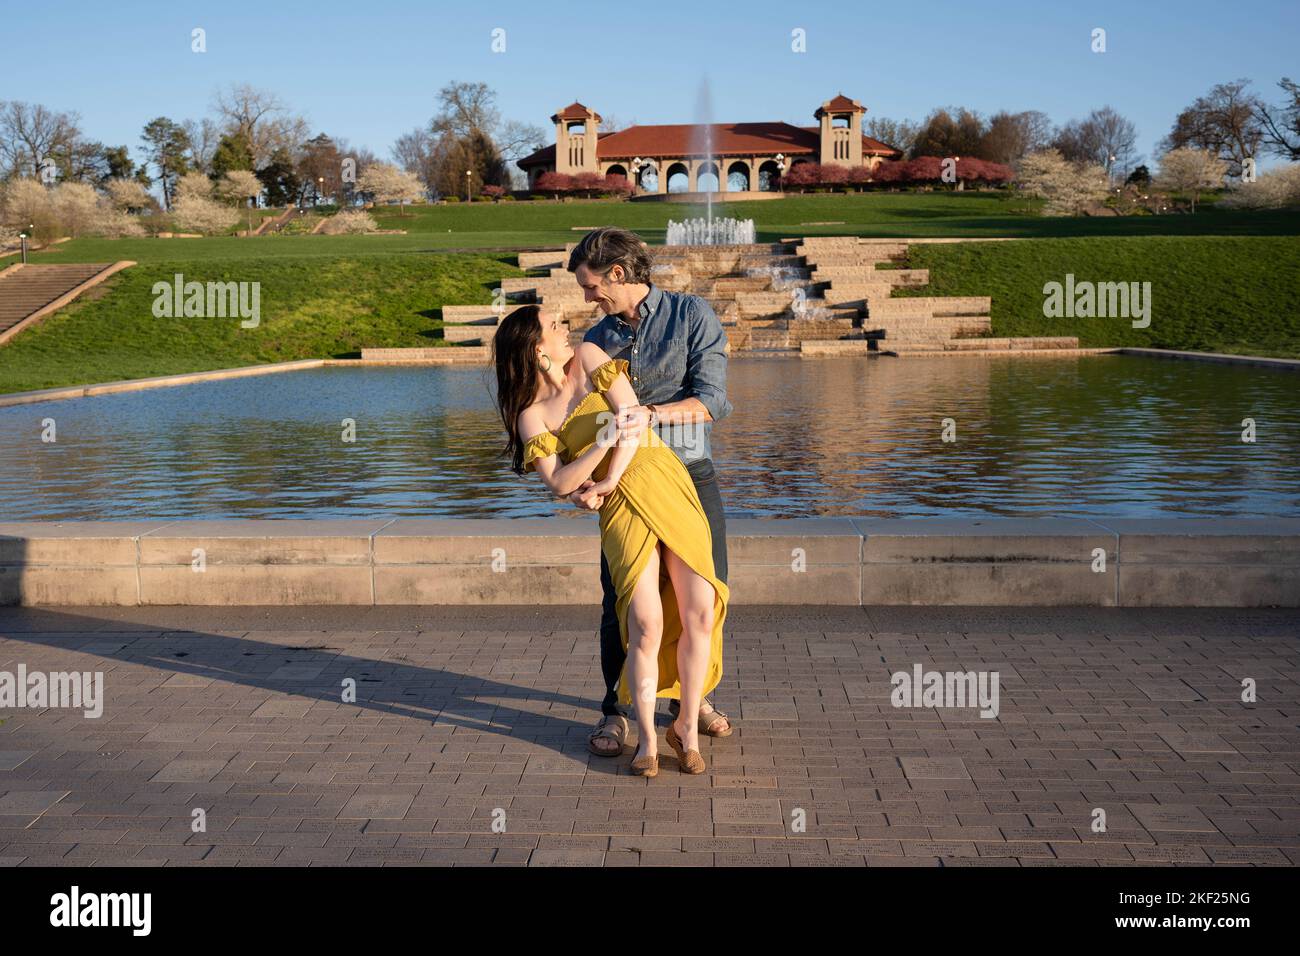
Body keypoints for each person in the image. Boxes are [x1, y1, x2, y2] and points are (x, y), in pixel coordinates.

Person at [492, 304, 728, 776]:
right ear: (538, 350)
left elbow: (633, 416)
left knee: (699, 609)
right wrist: (600, 451)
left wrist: (606, 478)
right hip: (620, 509)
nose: (567, 329)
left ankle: (683, 725)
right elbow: (559, 483)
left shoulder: (591, 355)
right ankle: (645, 741)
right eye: (555, 325)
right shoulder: (531, 416)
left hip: (663, 480)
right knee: (645, 623)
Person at [563, 227, 736, 758]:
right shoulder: (596, 341)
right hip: (627, 487)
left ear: (618, 274)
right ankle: (614, 712)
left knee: (702, 597)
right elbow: (569, 412)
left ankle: (692, 703)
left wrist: (647, 415)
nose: (589, 298)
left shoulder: (691, 315)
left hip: (690, 477)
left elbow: (712, 401)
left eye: (592, 286)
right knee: (621, 605)